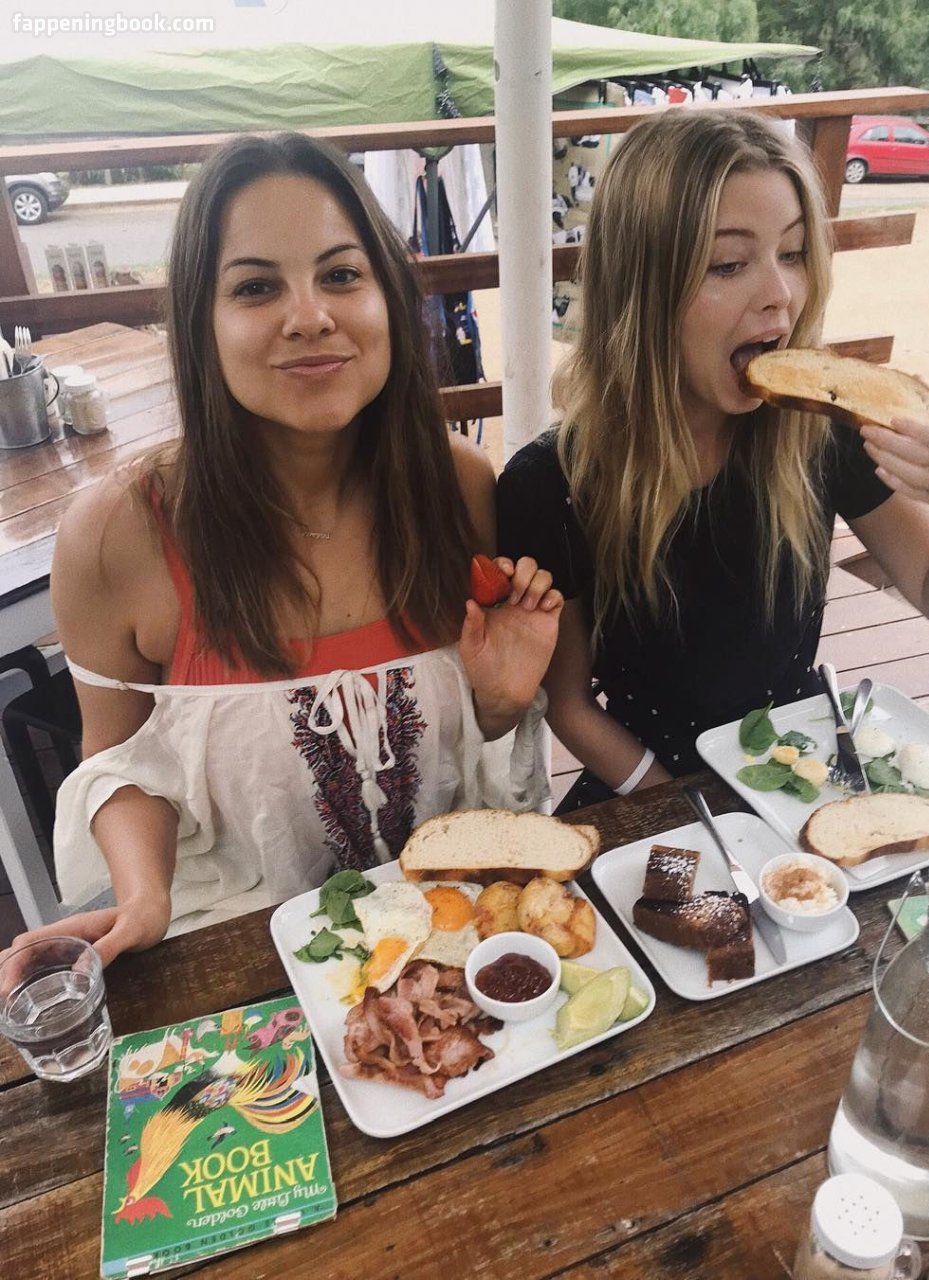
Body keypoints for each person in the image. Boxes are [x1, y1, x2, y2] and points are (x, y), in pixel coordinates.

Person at [13, 133, 563, 965]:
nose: (309, 317)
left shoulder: (458, 486)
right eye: (256, 286)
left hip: (453, 943)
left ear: (388, 297)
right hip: (243, 955)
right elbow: (120, 764)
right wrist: (142, 893)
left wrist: (498, 706)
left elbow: (471, 761)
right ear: (200, 323)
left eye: (341, 274)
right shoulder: (115, 536)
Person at [497, 110, 929, 811]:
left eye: (794, 253)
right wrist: (697, 810)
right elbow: (570, 706)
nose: (779, 295)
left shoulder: (819, 432)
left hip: (797, 768)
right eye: (729, 264)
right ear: (641, 287)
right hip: (651, 787)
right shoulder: (549, 484)